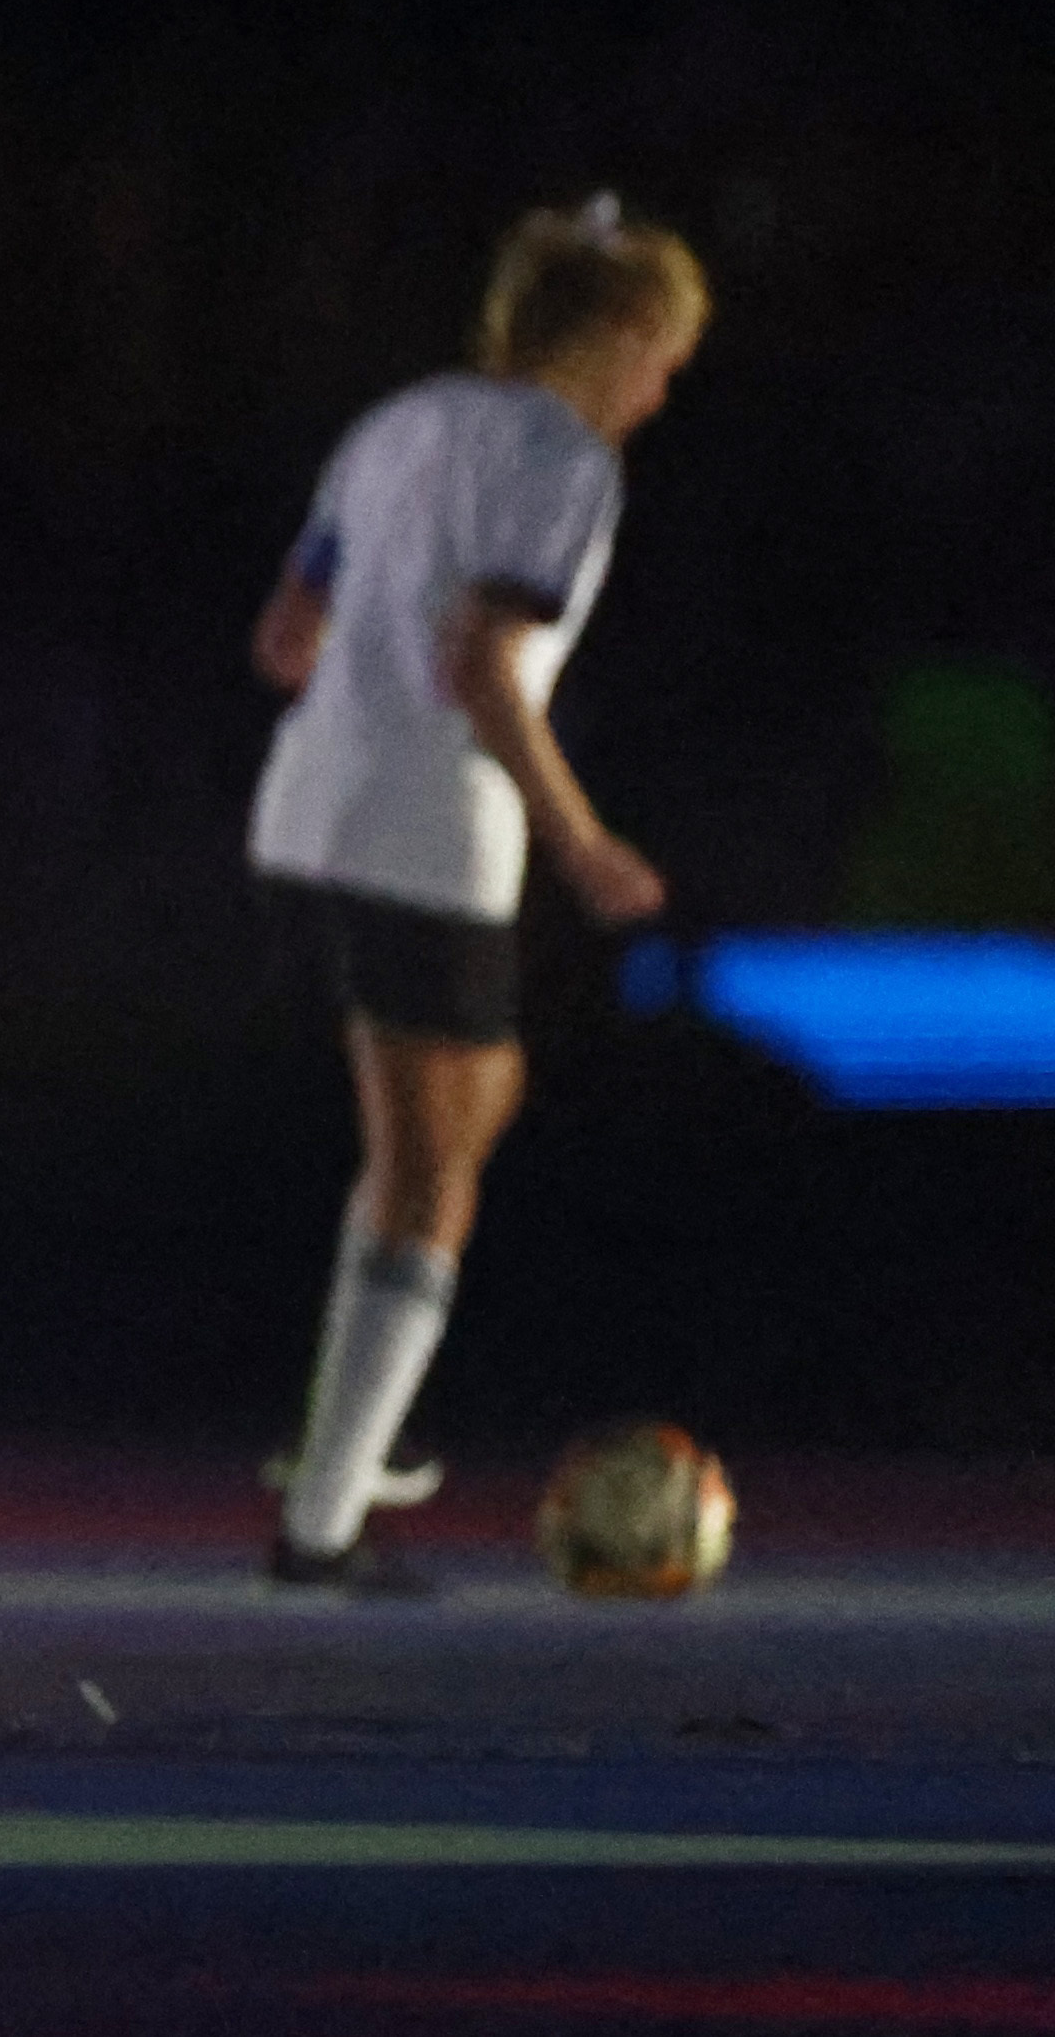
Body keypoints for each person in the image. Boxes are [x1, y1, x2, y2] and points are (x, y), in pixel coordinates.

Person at [243, 197, 705, 1592]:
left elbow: (285, 638)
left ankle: (353, 1406)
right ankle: (322, 1519)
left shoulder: (398, 420)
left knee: (461, 1101)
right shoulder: (563, 460)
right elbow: (482, 665)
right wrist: (582, 843)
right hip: (427, 831)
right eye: (660, 361)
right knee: (430, 1167)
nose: (658, 395)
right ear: (617, 335)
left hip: (303, 810)